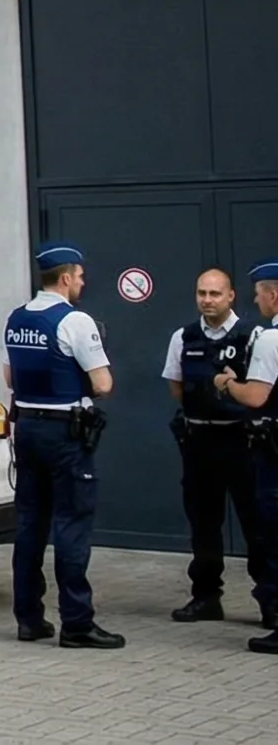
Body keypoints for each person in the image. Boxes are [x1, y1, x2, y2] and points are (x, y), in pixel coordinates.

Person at [2, 243, 120, 649]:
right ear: (66, 278)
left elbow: (10, 378)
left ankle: (29, 619)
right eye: (80, 276)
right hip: (65, 433)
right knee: (71, 524)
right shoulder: (74, 320)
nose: (83, 283)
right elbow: (103, 384)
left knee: (30, 524)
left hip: (27, 429)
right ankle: (77, 623)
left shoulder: (16, 318)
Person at [163, 267, 270, 624]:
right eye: (201, 293)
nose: (207, 300)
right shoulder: (183, 337)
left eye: (214, 294)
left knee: (256, 525)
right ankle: (206, 597)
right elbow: (177, 387)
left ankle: (270, 601)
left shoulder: (253, 336)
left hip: (242, 441)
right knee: (203, 524)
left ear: (231, 296)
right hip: (199, 441)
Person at [211, 262, 278, 653]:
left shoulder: (270, 340)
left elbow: (255, 396)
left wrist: (227, 383)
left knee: (273, 535)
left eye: (259, 294)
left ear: (274, 295)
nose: (256, 301)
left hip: (274, 454)